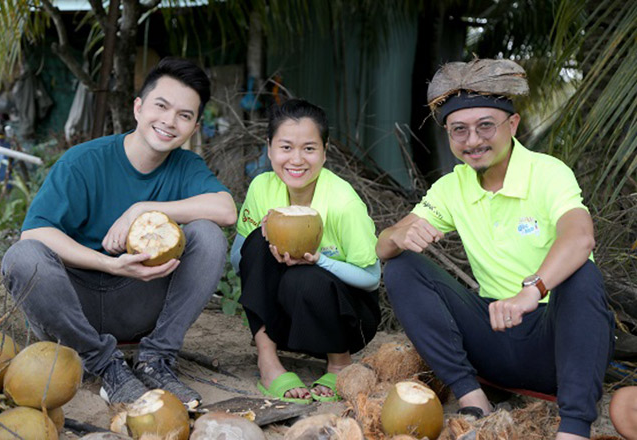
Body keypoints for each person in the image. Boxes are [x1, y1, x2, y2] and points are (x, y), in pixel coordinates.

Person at [376, 60, 614, 439]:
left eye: (486, 125)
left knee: (582, 274)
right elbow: (383, 245)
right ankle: (473, 397)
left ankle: (573, 428)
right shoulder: (452, 187)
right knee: (401, 267)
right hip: (494, 341)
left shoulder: (547, 172)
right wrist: (397, 236)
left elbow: (581, 237)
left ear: (513, 125)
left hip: (559, 347)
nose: (473, 141)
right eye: (460, 130)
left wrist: (530, 292)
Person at [1, 58, 237, 406]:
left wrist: (143, 209)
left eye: (184, 116)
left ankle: (155, 360)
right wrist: (108, 263)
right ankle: (106, 365)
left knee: (208, 234)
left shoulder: (187, 166)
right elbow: (35, 233)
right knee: (22, 257)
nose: (169, 122)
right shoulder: (84, 161)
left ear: (194, 126)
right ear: (138, 108)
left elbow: (226, 210)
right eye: (161, 106)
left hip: (137, 299)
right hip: (72, 306)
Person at [230, 99, 381, 403]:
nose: (296, 159)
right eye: (286, 147)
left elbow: (372, 279)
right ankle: (268, 361)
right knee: (257, 242)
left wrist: (320, 261)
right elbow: (238, 261)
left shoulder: (343, 202)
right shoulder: (262, 188)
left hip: (349, 322)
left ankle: (339, 364)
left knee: (307, 278)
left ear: (325, 152)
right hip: (286, 321)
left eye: (309, 149)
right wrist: (269, 238)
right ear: (269, 148)